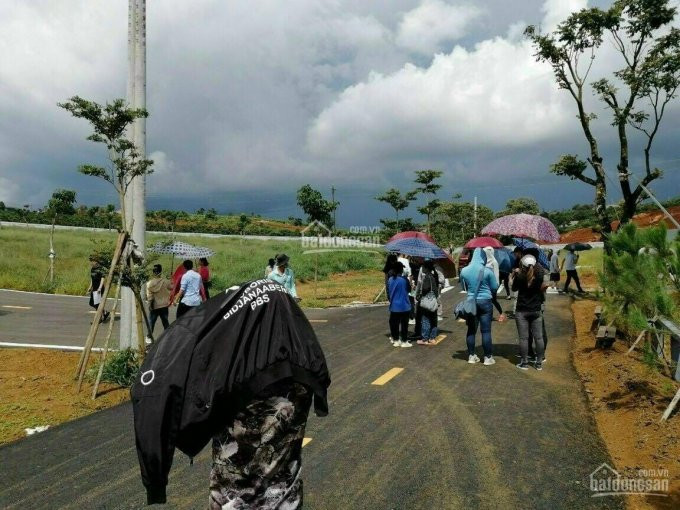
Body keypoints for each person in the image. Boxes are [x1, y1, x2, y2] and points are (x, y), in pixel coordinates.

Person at [132, 280, 330, 508]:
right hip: (296, 378)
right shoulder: (298, 372)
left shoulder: (220, 355)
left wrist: (155, 482)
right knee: (279, 470)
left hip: (234, 491)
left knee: (239, 471)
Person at [459, 248, 499, 365]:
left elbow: (463, 288)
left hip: (471, 302)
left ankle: (471, 356)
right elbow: (494, 288)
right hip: (485, 302)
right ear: (484, 257)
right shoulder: (487, 271)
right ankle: (487, 358)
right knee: (486, 331)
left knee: (471, 330)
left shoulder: (464, 271)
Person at [513, 254, 548, 370]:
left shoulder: (520, 276)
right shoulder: (539, 275)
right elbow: (540, 272)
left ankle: (524, 363)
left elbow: (513, 288)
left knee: (523, 338)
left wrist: (515, 273)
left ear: (522, 265)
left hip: (522, 310)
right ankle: (538, 363)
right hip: (536, 310)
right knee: (539, 338)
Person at [388, 262, 413, 348]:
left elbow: (389, 292)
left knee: (394, 324)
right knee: (404, 325)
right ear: (400, 269)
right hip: (404, 305)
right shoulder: (404, 279)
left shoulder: (390, 279)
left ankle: (396, 340)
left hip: (394, 305)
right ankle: (404, 341)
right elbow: (409, 290)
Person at [415, 259, 440, 345]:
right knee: (434, 320)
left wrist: (420, 295)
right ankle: (432, 338)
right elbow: (436, 290)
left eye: (423, 267)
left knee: (425, 319)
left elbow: (425, 289)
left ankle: (425, 338)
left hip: (427, 302)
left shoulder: (427, 277)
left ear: (426, 268)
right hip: (433, 301)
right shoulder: (434, 276)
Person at [146, 264, 172, 337]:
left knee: (151, 323)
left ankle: (149, 338)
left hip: (154, 306)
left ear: (153, 272)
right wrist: (171, 280)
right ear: (161, 271)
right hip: (164, 305)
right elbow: (172, 288)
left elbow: (150, 297)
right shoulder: (166, 282)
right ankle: (168, 336)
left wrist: (150, 305)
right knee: (165, 322)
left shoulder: (149, 284)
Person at [483, 246, 507, 322]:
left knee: (493, 300)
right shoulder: (484, 262)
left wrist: (495, 286)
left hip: (492, 285)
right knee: (487, 300)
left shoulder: (494, 262)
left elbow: (496, 275)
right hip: (485, 285)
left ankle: (501, 313)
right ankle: (488, 315)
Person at [86, 257, 110, 323]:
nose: (91, 263)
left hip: (99, 289)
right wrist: (90, 287)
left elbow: (102, 279)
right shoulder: (92, 269)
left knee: (97, 304)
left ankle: (97, 320)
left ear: (96, 262)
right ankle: (104, 312)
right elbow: (92, 279)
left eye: (92, 261)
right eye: (90, 261)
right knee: (92, 303)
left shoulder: (100, 269)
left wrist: (99, 288)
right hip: (94, 288)